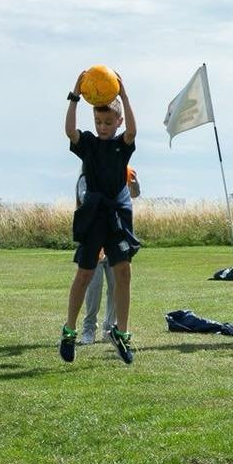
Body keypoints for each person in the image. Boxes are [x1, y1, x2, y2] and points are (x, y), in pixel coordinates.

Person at [61, 71, 139, 364]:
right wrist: (75, 96)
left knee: (124, 274)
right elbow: (70, 131)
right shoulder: (89, 144)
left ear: (117, 122)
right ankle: (69, 331)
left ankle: (122, 333)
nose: (102, 127)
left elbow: (133, 130)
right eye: (98, 122)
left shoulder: (123, 145)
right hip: (93, 216)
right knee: (84, 275)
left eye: (108, 122)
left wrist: (126, 96)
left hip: (116, 217)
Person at [77, 167, 141, 345]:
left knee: (116, 287)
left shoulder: (125, 172)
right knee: (93, 289)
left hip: (116, 237)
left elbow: (135, 194)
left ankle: (109, 328)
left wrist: (133, 186)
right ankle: (89, 329)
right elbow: (84, 198)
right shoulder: (86, 176)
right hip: (94, 240)